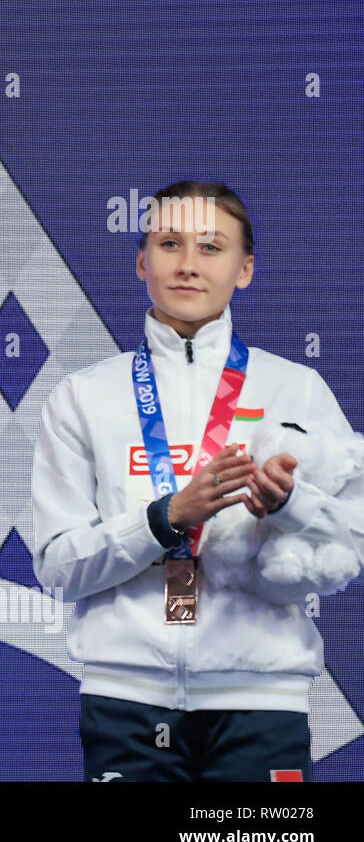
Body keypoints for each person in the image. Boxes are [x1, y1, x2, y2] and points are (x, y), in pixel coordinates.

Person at [31, 180, 364, 781]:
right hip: (125, 701)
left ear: (245, 269)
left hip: (261, 701)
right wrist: (165, 519)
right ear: (141, 261)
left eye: (211, 248)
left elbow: (354, 540)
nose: (187, 264)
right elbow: (58, 566)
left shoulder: (297, 390)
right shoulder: (81, 398)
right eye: (168, 243)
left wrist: (290, 507)